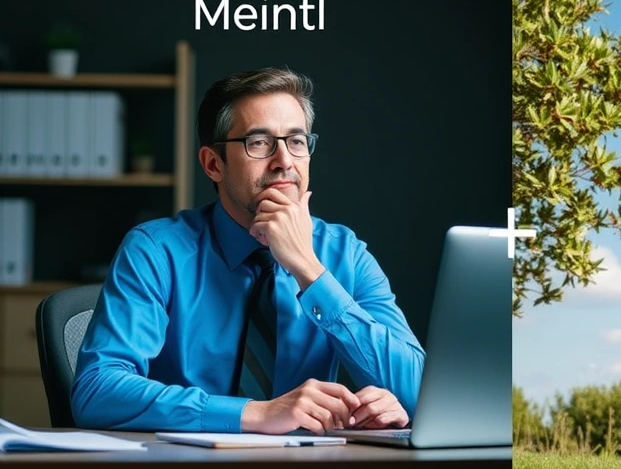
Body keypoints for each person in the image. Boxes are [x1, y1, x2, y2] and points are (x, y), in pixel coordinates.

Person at [71, 67, 425, 435]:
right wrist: (255, 414)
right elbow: (97, 391)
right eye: (259, 142)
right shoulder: (156, 251)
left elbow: (423, 394)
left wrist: (308, 269)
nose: (284, 161)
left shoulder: (344, 254)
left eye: (297, 141)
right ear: (213, 164)